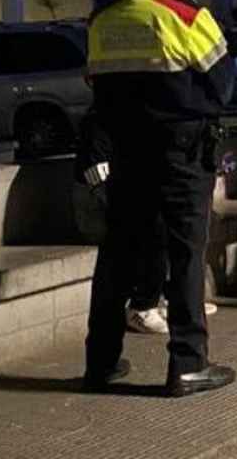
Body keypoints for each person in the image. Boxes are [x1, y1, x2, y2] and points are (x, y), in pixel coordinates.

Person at [83, 0, 235, 397]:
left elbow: (99, 90)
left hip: (127, 154)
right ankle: (187, 364)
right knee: (185, 255)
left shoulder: (103, 20)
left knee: (117, 258)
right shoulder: (186, 16)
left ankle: (101, 363)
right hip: (182, 156)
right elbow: (223, 86)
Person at [73, 113, 170, 335]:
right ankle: (141, 306)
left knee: (169, 220)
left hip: (118, 202)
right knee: (152, 229)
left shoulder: (128, 119)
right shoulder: (98, 122)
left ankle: (166, 298)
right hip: (98, 211)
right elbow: (97, 184)